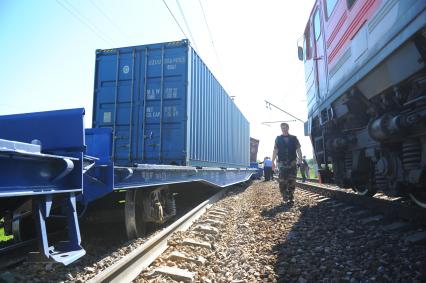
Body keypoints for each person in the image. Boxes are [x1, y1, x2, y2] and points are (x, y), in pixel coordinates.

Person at [272, 123, 303, 205]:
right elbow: (275, 150)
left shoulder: (294, 138)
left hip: (292, 162)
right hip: (282, 163)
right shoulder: (278, 138)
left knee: (292, 180)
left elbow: (298, 149)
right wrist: (272, 162)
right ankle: (284, 196)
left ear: (288, 128)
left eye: (285, 128)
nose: (284, 129)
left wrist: (300, 159)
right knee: (282, 181)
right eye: (282, 128)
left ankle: (291, 196)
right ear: (281, 129)